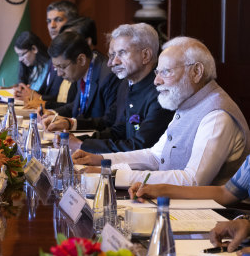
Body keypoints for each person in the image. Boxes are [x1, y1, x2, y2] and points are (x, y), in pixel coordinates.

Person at [73, 37, 250, 187]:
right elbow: (155, 156)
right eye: (157, 72)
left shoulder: (217, 115)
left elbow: (193, 180)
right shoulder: (190, 102)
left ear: (196, 72)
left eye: (166, 72)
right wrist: (101, 160)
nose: (156, 81)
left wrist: (111, 175)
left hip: (219, 217)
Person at [46, 23, 173, 153]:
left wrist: (81, 146)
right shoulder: (125, 84)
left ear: (145, 55)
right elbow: (118, 131)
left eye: (121, 53)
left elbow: (141, 146)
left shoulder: (161, 92)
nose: (112, 62)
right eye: (112, 55)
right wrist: (78, 141)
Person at [41, 30, 120, 130]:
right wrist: (53, 113)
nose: (59, 74)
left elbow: (109, 121)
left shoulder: (108, 77)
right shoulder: (82, 70)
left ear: (81, 60)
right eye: (56, 68)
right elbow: (78, 104)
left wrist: (71, 124)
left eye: (62, 67)